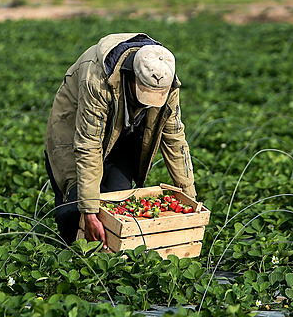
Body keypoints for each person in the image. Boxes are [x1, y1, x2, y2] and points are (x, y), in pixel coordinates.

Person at [44, 33, 196, 248]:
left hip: (123, 134)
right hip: (74, 133)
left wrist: (189, 197)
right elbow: (88, 143)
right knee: (74, 207)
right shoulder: (96, 78)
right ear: (131, 75)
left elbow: (174, 139)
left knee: (118, 203)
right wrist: (89, 212)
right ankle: (72, 257)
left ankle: (115, 265)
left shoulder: (165, 77)